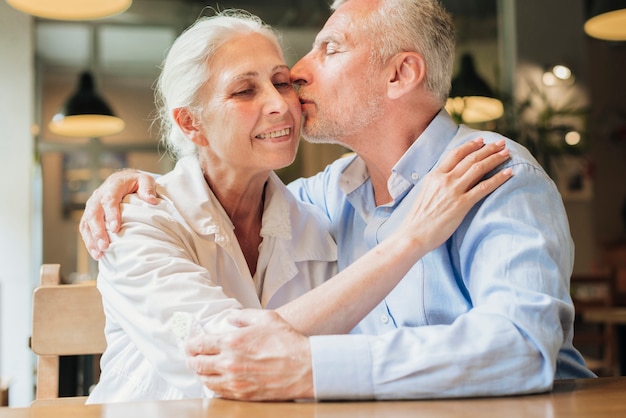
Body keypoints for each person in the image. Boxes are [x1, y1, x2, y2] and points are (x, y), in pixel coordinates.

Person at [80, 0, 594, 402]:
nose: (295, 78)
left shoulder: (492, 175)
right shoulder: (323, 197)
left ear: (400, 74)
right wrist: (129, 182)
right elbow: (218, 187)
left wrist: (311, 367)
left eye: (329, 49)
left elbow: (522, 347)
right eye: (249, 89)